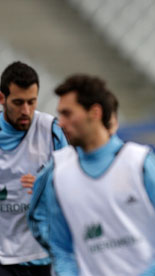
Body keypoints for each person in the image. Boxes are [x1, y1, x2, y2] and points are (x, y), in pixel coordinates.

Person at [28, 74, 155, 275]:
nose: (61, 123)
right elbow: (61, 248)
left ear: (94, 112)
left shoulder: (141, 163)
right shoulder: (56, 175)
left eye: (68, 114)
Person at [0, 61, 67, 276]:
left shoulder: (51, 131)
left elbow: (73, 185)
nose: (26, 110)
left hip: (42, 255)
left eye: (32, 101)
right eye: (18, 103)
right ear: (2, 99)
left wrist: (48, 185)